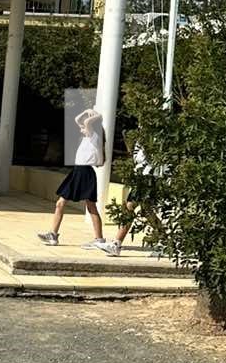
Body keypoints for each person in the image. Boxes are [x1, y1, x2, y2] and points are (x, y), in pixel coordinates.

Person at [38, 108, 113, 251]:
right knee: (60, 203)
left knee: (91, 207)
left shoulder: (94, 137)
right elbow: (78, 120)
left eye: (84, 127)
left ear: (92, 127)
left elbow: (86, 122)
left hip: (85, 173)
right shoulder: (88, 137)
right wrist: (86, 111)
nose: (81, 128)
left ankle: (99, 239)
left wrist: (95, 114)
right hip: (77, 172)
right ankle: (53, 235)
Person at [106, 141, 159, 257]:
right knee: (147, 211)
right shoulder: (139, 140)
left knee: (130, 207)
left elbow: (151, 156)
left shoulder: (151, 138)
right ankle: (165, 242)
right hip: (140, 177)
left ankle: (116, 243)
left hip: (147, 177)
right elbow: (136, 158)